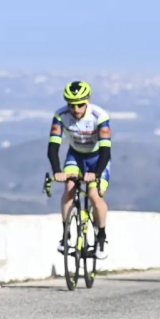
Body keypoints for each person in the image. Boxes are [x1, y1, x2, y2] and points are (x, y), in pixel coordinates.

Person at [47, 80, 112, 260]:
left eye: (80, 104)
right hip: (75, 156)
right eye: (71, 105)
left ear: (88, 101)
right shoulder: (60, 116)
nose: (76, 109)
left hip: (98, 158)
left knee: (93, 195)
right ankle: (66, 235)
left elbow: (106, 150)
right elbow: (53, 147)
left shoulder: (100, 116)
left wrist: (96, 173)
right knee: (69, 188)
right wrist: (57, 170)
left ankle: (101, 237)